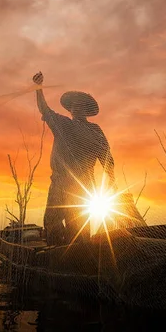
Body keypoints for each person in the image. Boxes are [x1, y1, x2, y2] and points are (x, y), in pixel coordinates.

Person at [32, 71, 115, 245]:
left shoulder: (95, 130)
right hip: (60, 182)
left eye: (80, 106)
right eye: (73, 106)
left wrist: (111, 179)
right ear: (70, 109)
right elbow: (44, 109)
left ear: (86, 110)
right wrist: (39, 88)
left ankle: (79, 259)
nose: (76, 108)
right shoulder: (63, 124)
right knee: (52, 222)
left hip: (83, 186)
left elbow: (106, 156)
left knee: (78, 227)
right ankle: (58, 255)